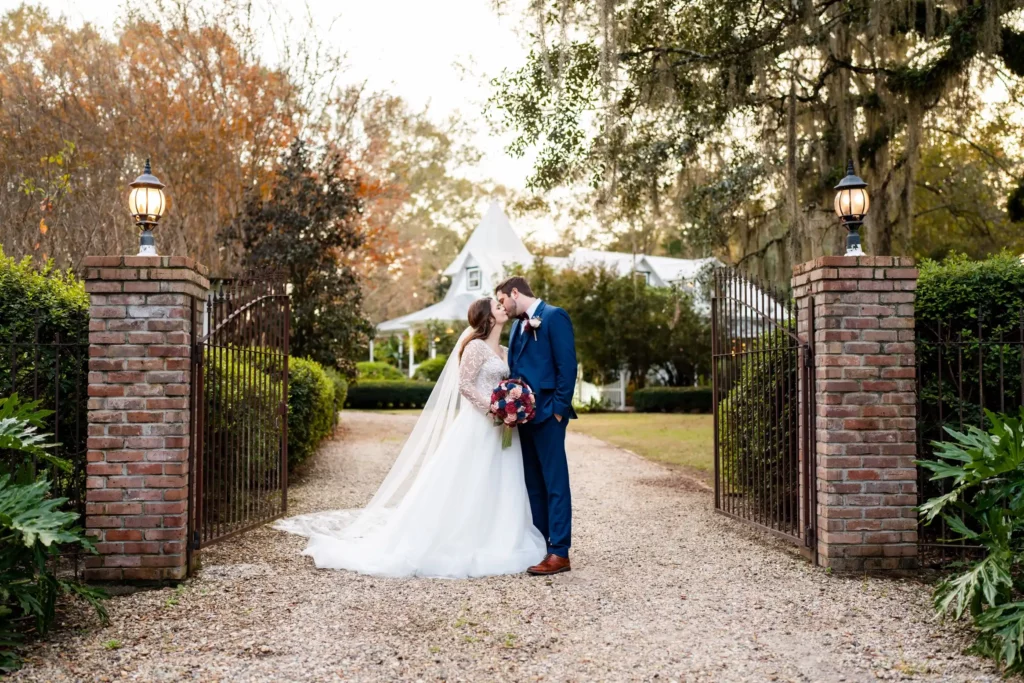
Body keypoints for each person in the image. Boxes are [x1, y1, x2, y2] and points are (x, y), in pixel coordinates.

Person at [274, 297, 547, 578]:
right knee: (469, 479)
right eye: (496, 306)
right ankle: (462, 536)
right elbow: (465, 385)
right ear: (486, 317)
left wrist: (514, 405)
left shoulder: (504, 350)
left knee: (501, 480)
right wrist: (491, 409)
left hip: (503, 428)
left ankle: (499, 536)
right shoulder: (475, 347)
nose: (502, 307)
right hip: (479, 425)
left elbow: (509, 384)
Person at [494, 276, 577, 576]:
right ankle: (539, 544)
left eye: (502, 300)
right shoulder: (517, 326)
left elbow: (567, 368)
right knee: (533, 484)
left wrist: (557, 410)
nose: (502, 306)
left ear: (515, 292)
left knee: (555, 483)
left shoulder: (555, 316)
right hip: (522, 418)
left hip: (548, 416)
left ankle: (560, 552)